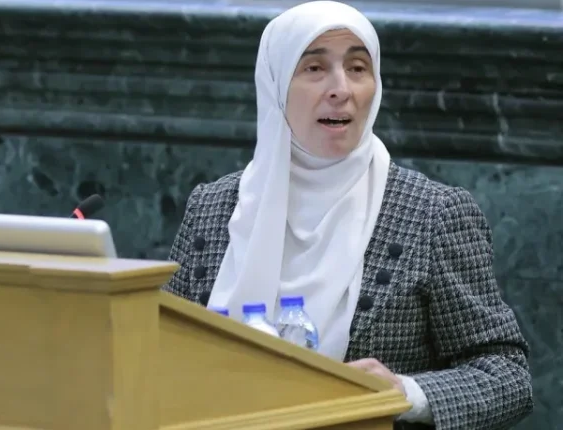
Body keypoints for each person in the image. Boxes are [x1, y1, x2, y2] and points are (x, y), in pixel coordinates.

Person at [162, 1, 533, 429]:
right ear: (275, 84)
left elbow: (508, 376)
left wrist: (405, 393)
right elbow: (158, 348)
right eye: (314, 68)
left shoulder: (433, 213)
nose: (341, 89)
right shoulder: (213, 207)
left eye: (357, 68)